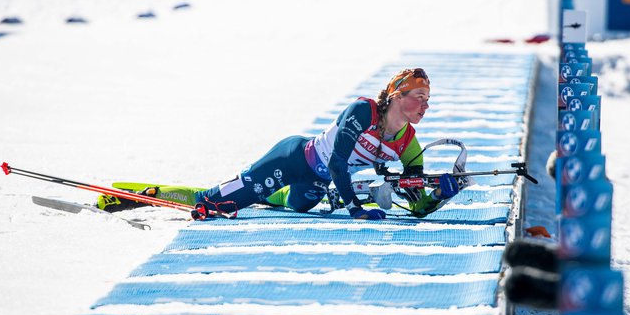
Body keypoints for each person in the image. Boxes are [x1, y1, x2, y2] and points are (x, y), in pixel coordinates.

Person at [193, 68, 460, 220]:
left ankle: (269, 195)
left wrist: (439, 195)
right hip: (293, 159)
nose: (426, 105)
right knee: (219, 204)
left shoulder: (410, 145)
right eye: (419, 96)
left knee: (297, 205)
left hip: (317, 183)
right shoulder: (364, 110)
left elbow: (416, 206)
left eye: (428, 99)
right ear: (397, 97)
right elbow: (337, 161)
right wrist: (355, 208)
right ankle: (202, 195)